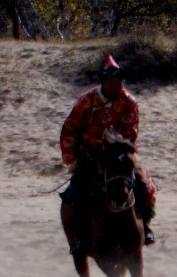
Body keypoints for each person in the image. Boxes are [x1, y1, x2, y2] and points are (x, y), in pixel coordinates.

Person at [60, 55, 156, 245]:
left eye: (119, 82)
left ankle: (145, 225)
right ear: (104, 82)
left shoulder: (129, 102)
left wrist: (112, 145)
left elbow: (130, 132)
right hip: (91, 155)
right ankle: (79, 238)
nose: (116, 86)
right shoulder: (85, 101)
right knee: (76, 191)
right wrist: (77, 152)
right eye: (112, 82)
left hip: (118, 152)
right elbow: (70, 127)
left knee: (143, 184)